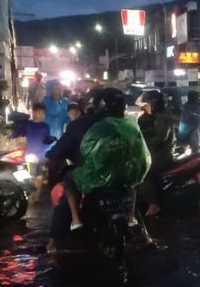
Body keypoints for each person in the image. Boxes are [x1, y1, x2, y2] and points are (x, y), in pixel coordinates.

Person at [60, 88, 150, 233]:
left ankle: (76, 220)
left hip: (100, 176)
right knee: (133, 184)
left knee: (69, 178)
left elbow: (85, 149)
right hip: (127, 174)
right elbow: (142, 151)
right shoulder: (132, 124)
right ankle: (131, 217)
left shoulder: (99, 127)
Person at [137, 90, 175, 216]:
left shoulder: (163, 116)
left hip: (162, 155)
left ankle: (153, 204)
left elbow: (160, 137)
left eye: (147, 103)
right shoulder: (154, 116)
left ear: (154, 103)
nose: (145, 105)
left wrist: (141, 140)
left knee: (143, 173)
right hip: (157, 153)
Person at [12, 103, 51, 203]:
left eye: (43, 113)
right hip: (30, 155)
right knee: (32, 177)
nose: (41, 115)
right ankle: (31, 198)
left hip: (41, 156)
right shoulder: (27, 125)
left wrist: (43, 153)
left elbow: (47, 141)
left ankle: (36, 197)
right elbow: (16, 133)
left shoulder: (46, 127)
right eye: (38, 112)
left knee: (40, 177)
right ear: (33, 112)